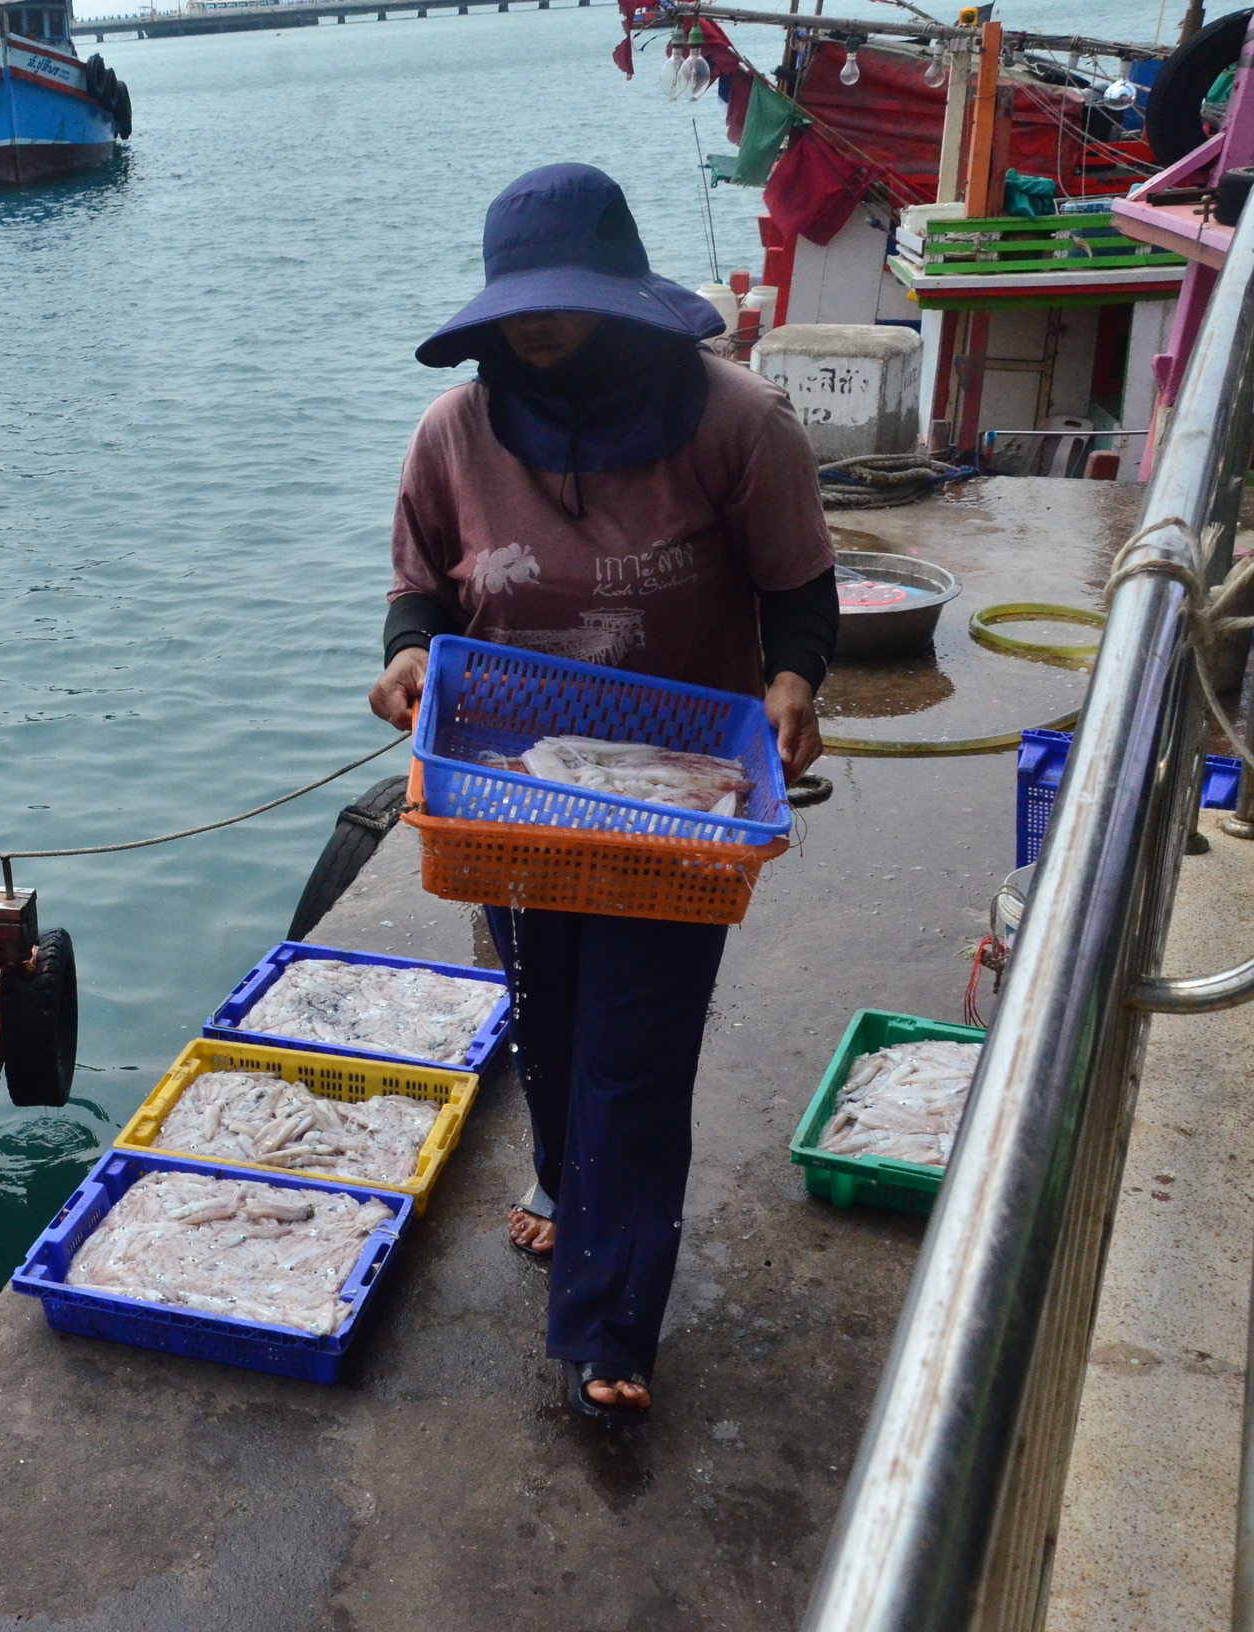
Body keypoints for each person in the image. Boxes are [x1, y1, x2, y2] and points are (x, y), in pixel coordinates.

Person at [367, 163, 837, 1422]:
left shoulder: (738, 421)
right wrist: (406, 657)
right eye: (520, 303)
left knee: (635, 1048)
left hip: (678, 794)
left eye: (563, 300)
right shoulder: (454, 433)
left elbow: (798, 586)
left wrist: (793, 680)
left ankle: (608, 1323)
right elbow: (421, 590)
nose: (537, 326)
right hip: (509, 786)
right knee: (546, 1011)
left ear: (623, 293)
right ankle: (562, 1176)